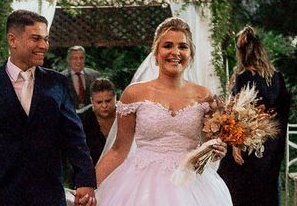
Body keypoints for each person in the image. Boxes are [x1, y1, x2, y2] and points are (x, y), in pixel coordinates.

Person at [0, 9, 96, 206]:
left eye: (45, 39)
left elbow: (75, 137)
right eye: (36, 39)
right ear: (13, 40)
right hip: (4, 195)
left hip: (49, 196)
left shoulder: (58, 83)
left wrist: (85, 181)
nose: (44, 46)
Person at [95, 17, 232, 206]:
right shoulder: (134, 94)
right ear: (156, 52)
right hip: (141, 184)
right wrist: (87, 185)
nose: (175, 52)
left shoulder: (204, 96)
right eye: (168, 45)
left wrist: (217, 150)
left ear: (190, 53)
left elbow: (207, 147)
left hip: (192, 184)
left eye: (182, 47)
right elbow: (118, 150)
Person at [217, 26, 290, 206]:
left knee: (241, 189)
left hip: (245, 140)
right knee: (267, 186)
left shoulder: (243, 77)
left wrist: (236, 145)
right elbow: (284, 109)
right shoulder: (277, 76)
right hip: (270, 142)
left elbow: (237, 113)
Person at [78, 78, 117, 164]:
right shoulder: (82, 120)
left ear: (115, 98)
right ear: (92, 101)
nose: (104, 105)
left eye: (108, 101)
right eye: (99, 102)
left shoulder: (125, 115)